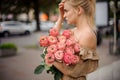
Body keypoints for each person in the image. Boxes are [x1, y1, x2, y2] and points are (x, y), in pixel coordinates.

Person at [53, 0, 99, 80]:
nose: (64, 15)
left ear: (78, 10)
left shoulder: (87, 35)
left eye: (66, 11)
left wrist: (50, 58)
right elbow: (52, 39)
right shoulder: (73, 31)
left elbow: (72, 71)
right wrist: (60, 18)